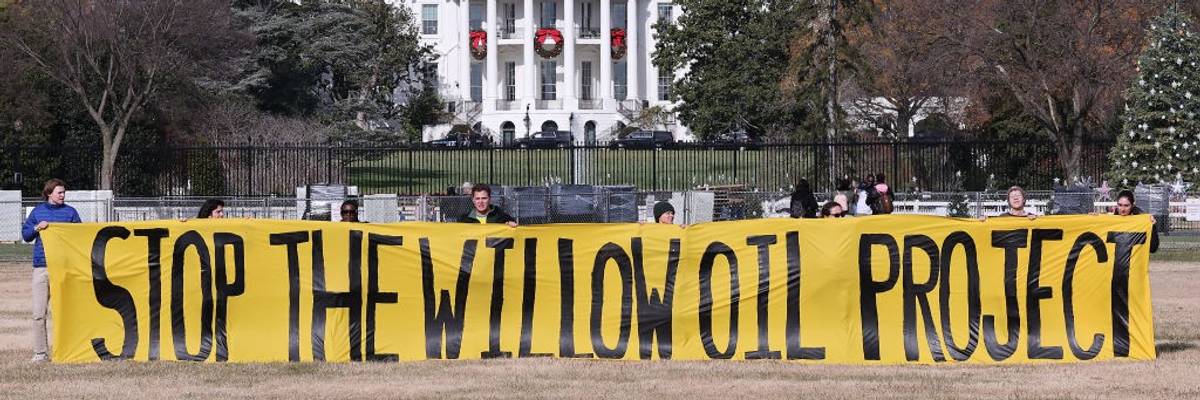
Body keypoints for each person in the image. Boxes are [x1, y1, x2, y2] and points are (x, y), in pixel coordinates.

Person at [21, 178, 81, 362]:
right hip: (42, 267)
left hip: (64, 268)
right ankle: (40, 353)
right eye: (59, 192)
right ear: (49, 194)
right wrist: (37, 228)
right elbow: (25, 235)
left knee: (66, 313)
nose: (63, 195)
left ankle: (68, 350)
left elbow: (79, 236)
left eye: (64, 192)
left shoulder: (71, 213)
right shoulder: (38, 213)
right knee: (39, 314)